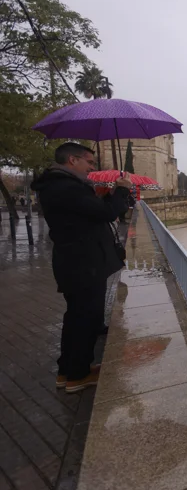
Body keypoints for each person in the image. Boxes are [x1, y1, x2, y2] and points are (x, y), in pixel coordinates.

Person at [32, 142, 132, 393]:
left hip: (77, 260)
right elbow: (107, 214)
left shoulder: (60, 185)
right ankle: (78, 375)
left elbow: (90, 212)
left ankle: (70, 369)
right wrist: (121, 191)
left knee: (78, 316)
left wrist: (101, 196)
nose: (92, 168)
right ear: (72, 160)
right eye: (89, 162)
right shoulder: (65, 187)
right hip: (84, 262)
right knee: (87, 317)